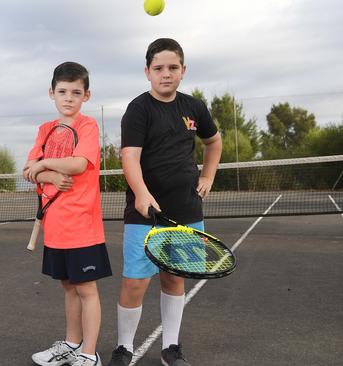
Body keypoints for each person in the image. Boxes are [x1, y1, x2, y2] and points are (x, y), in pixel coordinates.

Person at [107, 38, 222, 366]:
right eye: (159, 68)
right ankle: (124, 348)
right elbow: (129, 157)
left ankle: (171, 348)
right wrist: (142, 193)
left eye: (173, 68)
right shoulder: (138, 109)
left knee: (174, 278)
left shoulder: (195, 107)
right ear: (148, 72)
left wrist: (208, 177)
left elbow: (214, 143)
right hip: (144, 214)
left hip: (186, 210)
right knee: (135, 282)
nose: (166, 74)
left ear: (183, 71)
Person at [24, 62, 112, 366]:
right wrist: (44, 175)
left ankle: (90, 353)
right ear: (52, 93)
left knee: (86, 288)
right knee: (68, 285)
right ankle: (72, 344)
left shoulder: (87, 126)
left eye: (76, 92)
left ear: (86, 96)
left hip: (82, 224)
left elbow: (77, 164)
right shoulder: (44, 129)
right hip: (56, 226)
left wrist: (42, 166)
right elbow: (28, 170)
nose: (69, 97)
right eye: (62, 91)